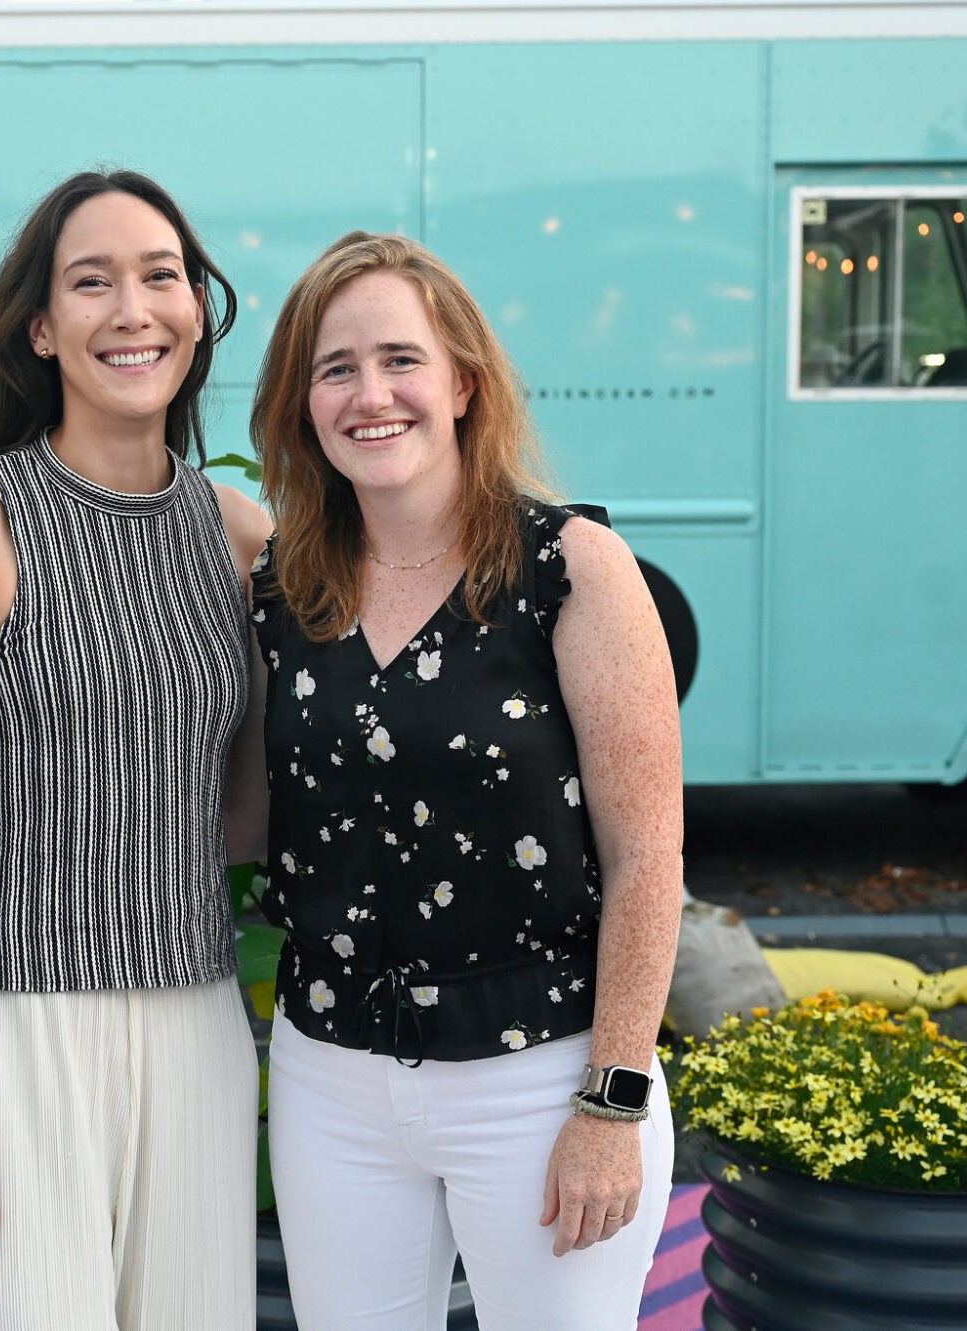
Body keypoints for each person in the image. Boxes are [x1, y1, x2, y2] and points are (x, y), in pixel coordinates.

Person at [0, 169, 271, 1330]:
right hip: (0, 1024)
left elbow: (240, 817)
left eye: (161, 276)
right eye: (91, 282)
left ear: (198, 307)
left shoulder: (243, 540)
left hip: (191, 1023)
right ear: (40, 328)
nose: (132, 309)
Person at [244, 231, 682, 1330]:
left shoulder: (571, 568)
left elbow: (647, 857)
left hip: (539, 1077)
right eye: (333, 367)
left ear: (462, 383)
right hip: (328, 1074)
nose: (369, 393)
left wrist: (611, 1099)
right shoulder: (280, 589)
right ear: (303, 403)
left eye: (399, 358)